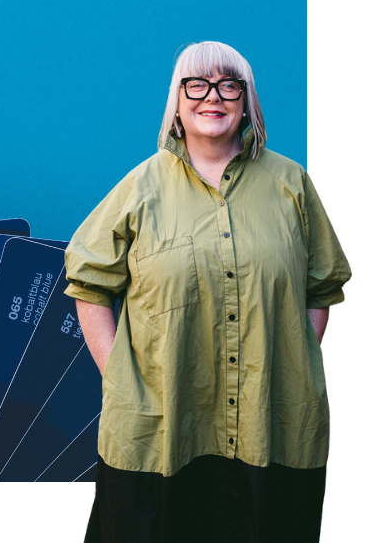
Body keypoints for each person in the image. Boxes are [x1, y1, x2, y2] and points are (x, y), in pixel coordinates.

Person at [64, 41, 351, 543]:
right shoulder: (142, 187)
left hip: (274, 427)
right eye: (196, 84)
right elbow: (88, 283)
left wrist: (288, 364)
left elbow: (319, 287)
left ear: (247, 100)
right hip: (162, 431)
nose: (212, 96)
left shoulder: (292, 185)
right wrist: (121, 379)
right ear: (177, 101)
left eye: (228, 84)